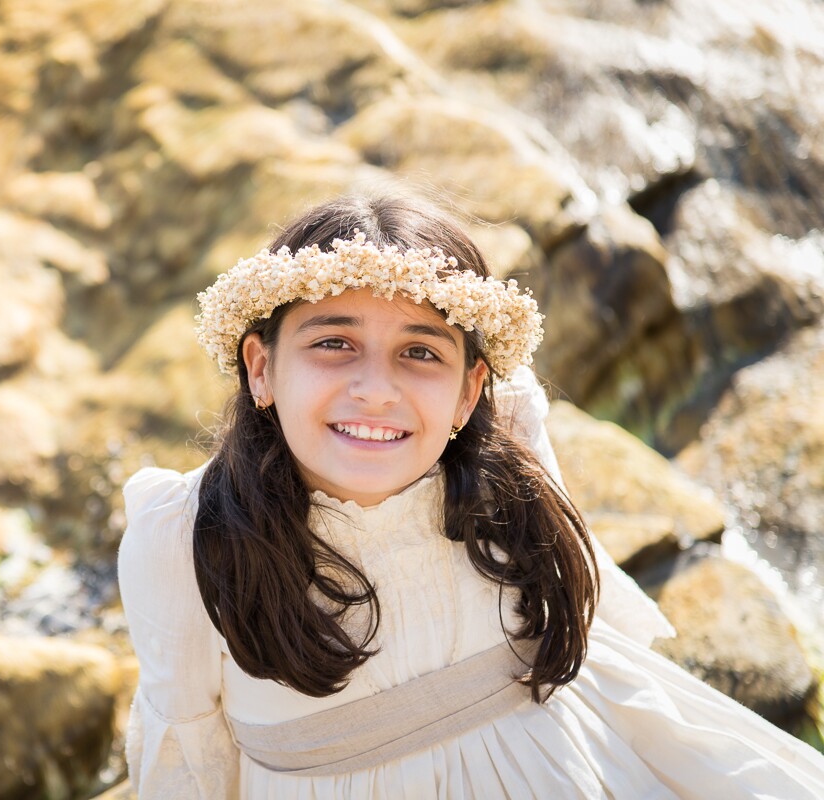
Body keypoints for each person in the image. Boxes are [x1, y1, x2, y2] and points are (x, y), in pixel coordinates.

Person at [116, 193, 824, 798]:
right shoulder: (185, 536)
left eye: (420, 352)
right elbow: (190, 759)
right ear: (261, 368)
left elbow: (596, 639)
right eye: (334, 343)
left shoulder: (505, 467)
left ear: (469, 392)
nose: (376, 389)